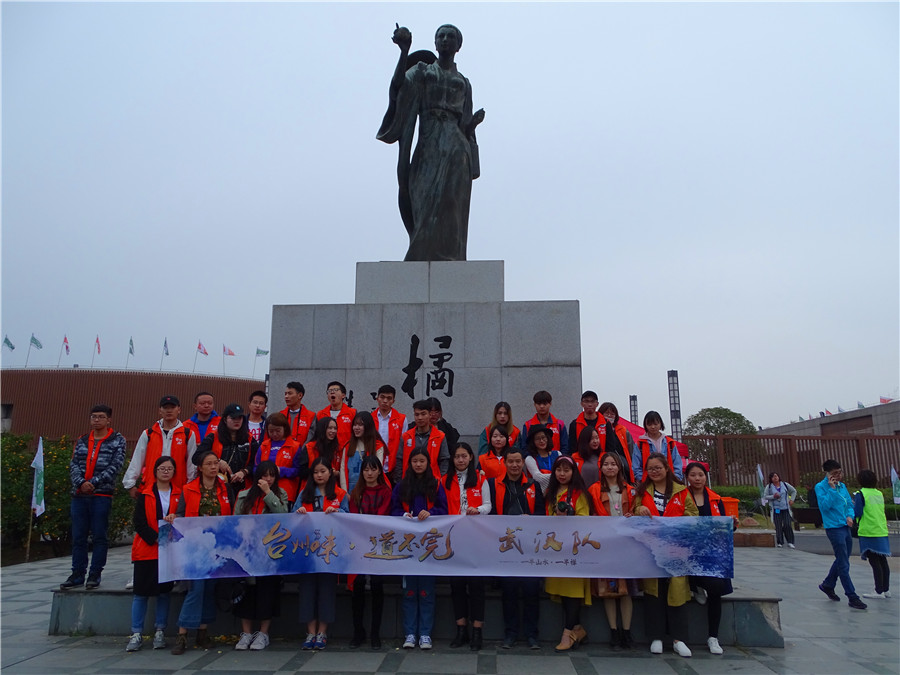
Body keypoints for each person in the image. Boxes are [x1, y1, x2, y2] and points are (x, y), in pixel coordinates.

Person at [377, 23, 484, 262]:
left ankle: (450, 257)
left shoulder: (463, 82)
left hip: (457, 147)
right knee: (424, 199)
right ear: (435, 43)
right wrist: (404, 52)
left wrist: (473, 125)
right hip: (429, 143)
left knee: (452, 204)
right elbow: (398, 88)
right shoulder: (423, 72)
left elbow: (464, 124)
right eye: (440, 36)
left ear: (458, 45)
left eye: (450, 36)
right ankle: (420, 253)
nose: (445, 39)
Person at [664, 462, 739, 655]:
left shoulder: (715, 499)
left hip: (711, 555)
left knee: (716, 589)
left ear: (706, 477)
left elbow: (722, 526)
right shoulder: (680, 497)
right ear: (687, 477)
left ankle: (713, 637)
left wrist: (733, 525)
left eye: (701, 475)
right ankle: (695, 585)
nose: (697, 478)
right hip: (686, 553)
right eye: (693, 475)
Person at [171, 450, 232, 655]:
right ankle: (182, 634)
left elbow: (231, 515)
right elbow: (180, 514)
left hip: (217, 547)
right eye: (209, 464)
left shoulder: (225, 488)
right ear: (200, 467)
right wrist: (173, 517)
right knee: (195, 589)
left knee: (209, 589)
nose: (214, 467)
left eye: (216, 463)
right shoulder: (188, 489)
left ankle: (203, 632)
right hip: (195, 546)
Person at [632, 452, 692, 657]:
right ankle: (655, 637)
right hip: (651, 549)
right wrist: (639, 508)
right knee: (653, 593)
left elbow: (693, 516)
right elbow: (633, 511)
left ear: (666, 468)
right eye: (650, 469)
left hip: (676, 549)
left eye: (658, 468)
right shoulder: (642, 491)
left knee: (676, 592)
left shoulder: (682, 491)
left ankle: (678, 639)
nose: (654, 472)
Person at [61, 404, 127, 591]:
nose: (96, 420)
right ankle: (77, 573)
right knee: (79, 537)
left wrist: (94, 482)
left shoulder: (117, 440)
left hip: (101, 494)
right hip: (79, 495)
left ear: (109, 420)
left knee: (99, 536)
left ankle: (95, 574)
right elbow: (74, 464)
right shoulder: (82, 440)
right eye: (93, 417)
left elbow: (116, 465)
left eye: (100, 417)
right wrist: (81, 482)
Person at [487, 446, 545, 650]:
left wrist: (531, 519)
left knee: (531, 591)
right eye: (510, 461)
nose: (514, 465)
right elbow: (491, 513)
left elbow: (541, 513)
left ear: (523, 463)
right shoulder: (494, 485)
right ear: (505, 463)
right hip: (506, 546)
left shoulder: (533, 485)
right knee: (509, 592)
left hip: (529, 546)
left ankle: (532, 635)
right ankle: (510, 633)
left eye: (518, 461)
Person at [391, 447, 448, 650]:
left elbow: (444, 510)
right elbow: (394, 509)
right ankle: (409, 633)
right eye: (415, 461)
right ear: (410, 463)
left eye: (422, 461)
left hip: (428, 547)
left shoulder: (435, 485)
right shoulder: (401, 485)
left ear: (428, 463)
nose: (418, 464)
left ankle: (425, 633)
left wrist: (430, 513)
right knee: (409, 591)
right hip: (407, 547)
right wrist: (403, 515)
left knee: (426, 591)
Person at [232, 461, 289, 651]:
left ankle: (263, 633)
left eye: (272, 475)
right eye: (265, 475)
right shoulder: (243, 496)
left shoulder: (280, 495)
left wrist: (268, 494)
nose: (269, 479)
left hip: (269, 553)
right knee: (246, 592)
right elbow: (235, 522)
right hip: (247, 552)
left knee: (267, 592)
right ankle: (246, 633)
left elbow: (283, 515)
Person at [126, 456, 180, 652]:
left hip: (169, 551)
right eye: (162, 468)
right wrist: (155, 538)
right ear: (155, 471)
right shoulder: (145, 494)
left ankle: (160, 631)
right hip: (147, 550)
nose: (166, 472)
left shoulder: (179, 494)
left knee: (164, 593)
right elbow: (139, 522)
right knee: (140, 594)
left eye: (169, 469)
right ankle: (136, 632)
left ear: (174, 472)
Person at [295, 457, 349, 650]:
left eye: (323, 471)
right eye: (316, 472)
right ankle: (310, 632)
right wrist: (299, 512)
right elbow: (292, 518)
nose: (319, 475)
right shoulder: (304, 493)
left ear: (330, 472)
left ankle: (322, 632)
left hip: (329, 551)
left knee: (326, 590)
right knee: (307, 591)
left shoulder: (340, 493)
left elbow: (349, 518)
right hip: (307, 552)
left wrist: (337, 512)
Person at [444, 442, 491, 651]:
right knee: (456, 585)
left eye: (464, 456)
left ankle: (477, 631)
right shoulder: (445, 481)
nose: (460, 460)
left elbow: (489, 506)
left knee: (476, 585)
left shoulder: (481, 478)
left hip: (476, 539)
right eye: (457, 457)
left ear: (471, 457)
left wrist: (477, 509)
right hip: (453, 540)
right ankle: (460, 629)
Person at [587, 452, 636, 650]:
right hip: (605, 544)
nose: (609, 467)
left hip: (626, 546)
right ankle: (614, 631)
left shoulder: (631, 491)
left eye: (613, 464)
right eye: (606, 464)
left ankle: (627, 631)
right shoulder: (594, 490)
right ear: (601, 468)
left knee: (626, 591)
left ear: (619, 467)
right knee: (607, 589)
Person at [544, 456, 593, 652]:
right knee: (564, 593)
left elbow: (585, 518)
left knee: (573, 592)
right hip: (556, 549)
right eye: (559, 470)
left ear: (574, 472)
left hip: (574, 550)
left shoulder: (580, 494)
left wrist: (568, 516)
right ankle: (578, 629)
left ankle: (567, 634)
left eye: (566, 470)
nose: (562, 474)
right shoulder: (550, 492)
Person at [348, 456, 393, 649]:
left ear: (379, 471)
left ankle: (375, 633)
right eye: (366, 469)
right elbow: (352, 517)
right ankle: (358, 631)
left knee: (377, 584)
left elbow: (383, 515)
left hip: (379, 544)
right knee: (357, 585)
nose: (369, 473)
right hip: (359, 544)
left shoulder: (385, 491)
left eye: (373, 469)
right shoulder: (356, 492)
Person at [815, 459, 867, 610]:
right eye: (835, 473)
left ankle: (828, 584)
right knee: (843, 563)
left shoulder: (842, 486)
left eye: (840, 472)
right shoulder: (821, 487)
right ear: (828, 474)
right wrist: (831, 489)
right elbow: (825, 507)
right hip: (833, 528)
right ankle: (852, 596)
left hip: (845, 526)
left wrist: (850, 516)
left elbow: (849, 504)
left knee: (843, 558)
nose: (838, 476)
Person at [123, 395, 197, 497]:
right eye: (165, 408)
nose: (169, 411)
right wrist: (130, 483)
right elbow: (137, 459)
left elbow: (191, 464)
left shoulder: (187, 434)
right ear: (160, 410)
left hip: (178, 488)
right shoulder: (148, 433)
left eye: (172, 407)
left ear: (179, 410)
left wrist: (190, 485)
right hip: (151, 487)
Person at [193, 403, 257, 503]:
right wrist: (217, 462)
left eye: (240, 418)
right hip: (217, 486)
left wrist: (244, 472)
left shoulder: (249, 439)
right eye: (233, 418)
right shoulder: (213, 437)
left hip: (243, 488)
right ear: (225, 419)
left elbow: (256, 462)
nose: (237, 421)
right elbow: (196, 458)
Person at [854, 469, 892, 599]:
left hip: (868, 530)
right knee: (882, 560)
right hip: (881, 529)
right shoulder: (879, 493)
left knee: (874, 561)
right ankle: (886, 589)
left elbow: (858, 512)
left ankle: (878, 591)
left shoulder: (861, 494)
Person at [254, 413, 303, 507]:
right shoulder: (264, 445)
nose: (274, 434)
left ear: (285, 428)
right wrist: (264, 473)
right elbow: (256, 468)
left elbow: (298, 470)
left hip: (285, 492)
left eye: (278, 430)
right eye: (271, 431)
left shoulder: (294, 446)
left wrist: (281, 470)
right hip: (263, 490)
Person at [397, 399, 449, 482]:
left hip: (432, 482)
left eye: (423, 414)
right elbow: (399, 460)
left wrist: (440, 479)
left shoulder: (440, 436)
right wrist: (400, 481)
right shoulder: (406, 436)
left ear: (429, 415)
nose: (420, 418)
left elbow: (444, 460)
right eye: (417, 415)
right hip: (409, 481)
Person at [337, 412, 386, 493]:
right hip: (350, 490)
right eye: (355, 425)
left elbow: (377, 470)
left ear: (368, 426)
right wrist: (344, 492)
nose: (356, 428)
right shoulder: (348, 446)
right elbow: (343, 470)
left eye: (360, 425)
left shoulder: (377, 446)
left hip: (370, 490)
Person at [633, 410, 684, 483]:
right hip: (648, 484)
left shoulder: (670, 443)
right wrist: (644, 480)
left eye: (656, 424)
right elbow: (636, 467)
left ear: (660, 424)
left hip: (669, 482)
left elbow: (677, 463)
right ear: (645, 425)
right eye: (649, 424)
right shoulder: (639, 444)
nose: (653, 427)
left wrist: (675, 479)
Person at [372, 385, 407, 479]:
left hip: (394, 468)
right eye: (382, 397)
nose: (385, 401)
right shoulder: (370, 418)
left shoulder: (401, 419)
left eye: (389, 398)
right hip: (373, 467)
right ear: (377, 398)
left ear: (393, 401)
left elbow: (404, 445)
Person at [599, 402, 637, 483]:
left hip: (621, 461)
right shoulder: (597, 428)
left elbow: (632, 450)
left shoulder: (623, 430)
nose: (609, 416)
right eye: (607, 413)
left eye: (612, 414)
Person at [520, 390, 568, 454]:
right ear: (534, 404)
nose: (542, 406)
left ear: (550, 404)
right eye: (539, 404)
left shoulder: (559, 424)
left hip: (556, 461)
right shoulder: (528, 425)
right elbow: (525, 447)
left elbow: (565, 447)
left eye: (545, 404)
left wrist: (559, 460)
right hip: (535, 462)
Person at [300, 417, 341, 488]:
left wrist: (337, 473)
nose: (333, 431)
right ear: (322, 429)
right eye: (330, 428)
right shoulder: (309, 447)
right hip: (311, 488)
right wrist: (322, 472)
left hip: (332, 488)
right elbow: (301, 472)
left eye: (335, 428)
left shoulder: (337, 448)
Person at [763, 472, 797, 548]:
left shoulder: (784, 485)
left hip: (785, 508)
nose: (775, 478)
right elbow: (765, 496)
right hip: (776, 509)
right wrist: (773, 496)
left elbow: (794, 491)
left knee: (787, 524)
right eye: (773, 477)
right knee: (778, 526)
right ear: (771, 479)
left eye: (776, 476)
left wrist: (792, 499)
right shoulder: (769, 487)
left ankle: (790, 541)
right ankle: (780, 542)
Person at [523, 424, 559, 493]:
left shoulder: (558, 454)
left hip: (558, 492)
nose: (541, 441)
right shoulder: (530, 459)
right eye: (537, 439)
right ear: (533, 442)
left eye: (543, 437)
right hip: (538, 494)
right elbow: (538, 477)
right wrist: (559, 477)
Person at [568, 390, 603, 456]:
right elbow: (572, 447)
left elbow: (610, 448)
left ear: (597, 404)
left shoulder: (606, 424)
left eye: (592, 401)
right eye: (586, 401)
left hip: (602, 461)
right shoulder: (574, 424)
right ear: (582, 404)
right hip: (581, 461)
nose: (589, 404)